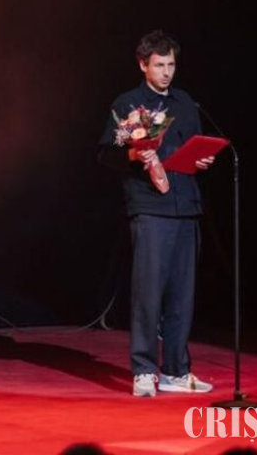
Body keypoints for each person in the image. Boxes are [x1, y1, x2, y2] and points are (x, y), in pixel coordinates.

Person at [98, 30, 216, 398]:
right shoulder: (128, 103)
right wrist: (134, 154)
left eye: (171, 65)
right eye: (160, 65)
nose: (167, 72)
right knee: (149, 292)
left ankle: (176, 371)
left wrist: (201, 160)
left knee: (182, 294)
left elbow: (192, 148)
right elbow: (107, 153)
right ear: (143, 64)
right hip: (150, 207)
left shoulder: (186, 102)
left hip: (186, 205)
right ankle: (144, 370)